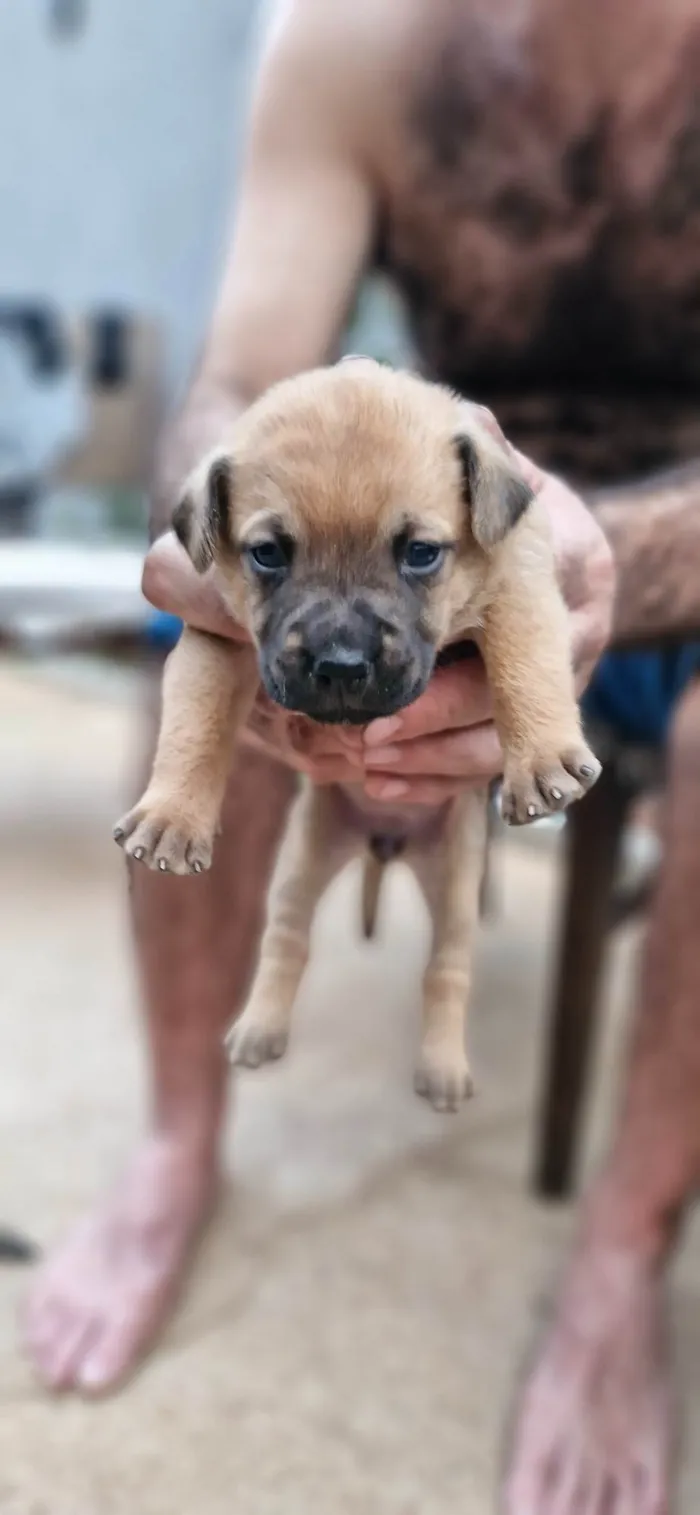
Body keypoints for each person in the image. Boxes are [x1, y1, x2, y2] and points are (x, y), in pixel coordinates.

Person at [23, 1, 700, 1509]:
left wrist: (606, 568)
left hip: (679, 571)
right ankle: (178, 1142)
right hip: (409, 560)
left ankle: (625, 1248)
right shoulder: (359, 41)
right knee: (196, 646)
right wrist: (223, 546)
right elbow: (238, 375)